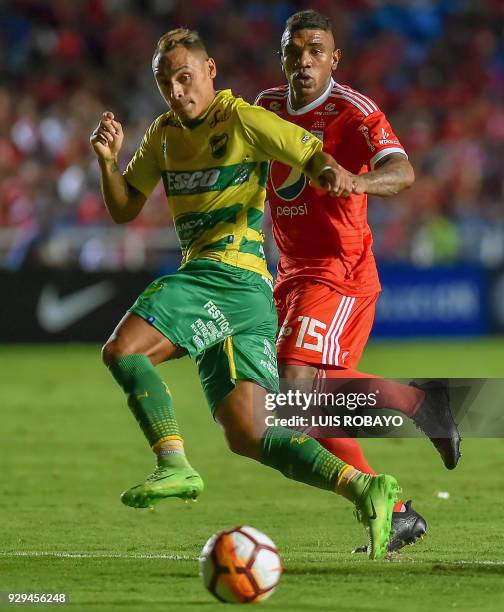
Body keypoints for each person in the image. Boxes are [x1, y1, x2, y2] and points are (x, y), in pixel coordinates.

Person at [90, 27, 401, 560]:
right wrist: (107, 161)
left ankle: (173, 464)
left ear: (210, 71)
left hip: (225, 276)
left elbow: (309, 152)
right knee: (248, 431)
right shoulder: (162, 136)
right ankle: (365, 488)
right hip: (249, 295)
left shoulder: (245, 120)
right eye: (166, 82)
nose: (177, 90)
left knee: (123, 349)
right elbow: (124, 208)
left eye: (185, 76)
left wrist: (335, 175)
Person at [255, 10, 461, 553]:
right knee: (310, 411)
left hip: (339, 273)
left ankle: (420, 403)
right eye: (294, 50)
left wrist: (358, 179)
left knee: (295, 393)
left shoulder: (352, 110)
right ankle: (394, 513)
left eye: (315, 50)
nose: (304, 60)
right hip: (291, 274)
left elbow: (404, 169)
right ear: (283, 56)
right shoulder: (266, 108)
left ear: (333, 58)